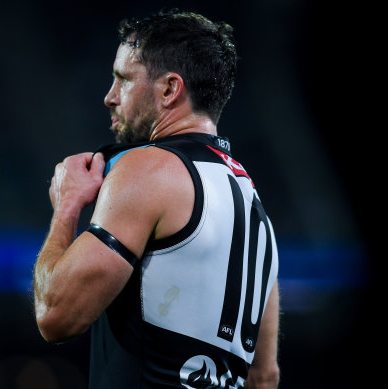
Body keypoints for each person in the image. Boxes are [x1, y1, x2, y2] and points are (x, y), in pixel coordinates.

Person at [33, 9, 280, 389]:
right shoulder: (255, 209)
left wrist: (66, 206)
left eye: (123, 80)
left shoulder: (148, 169)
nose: (109, 97)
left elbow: (56, 315)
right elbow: (264, 377)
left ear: (169, 89)